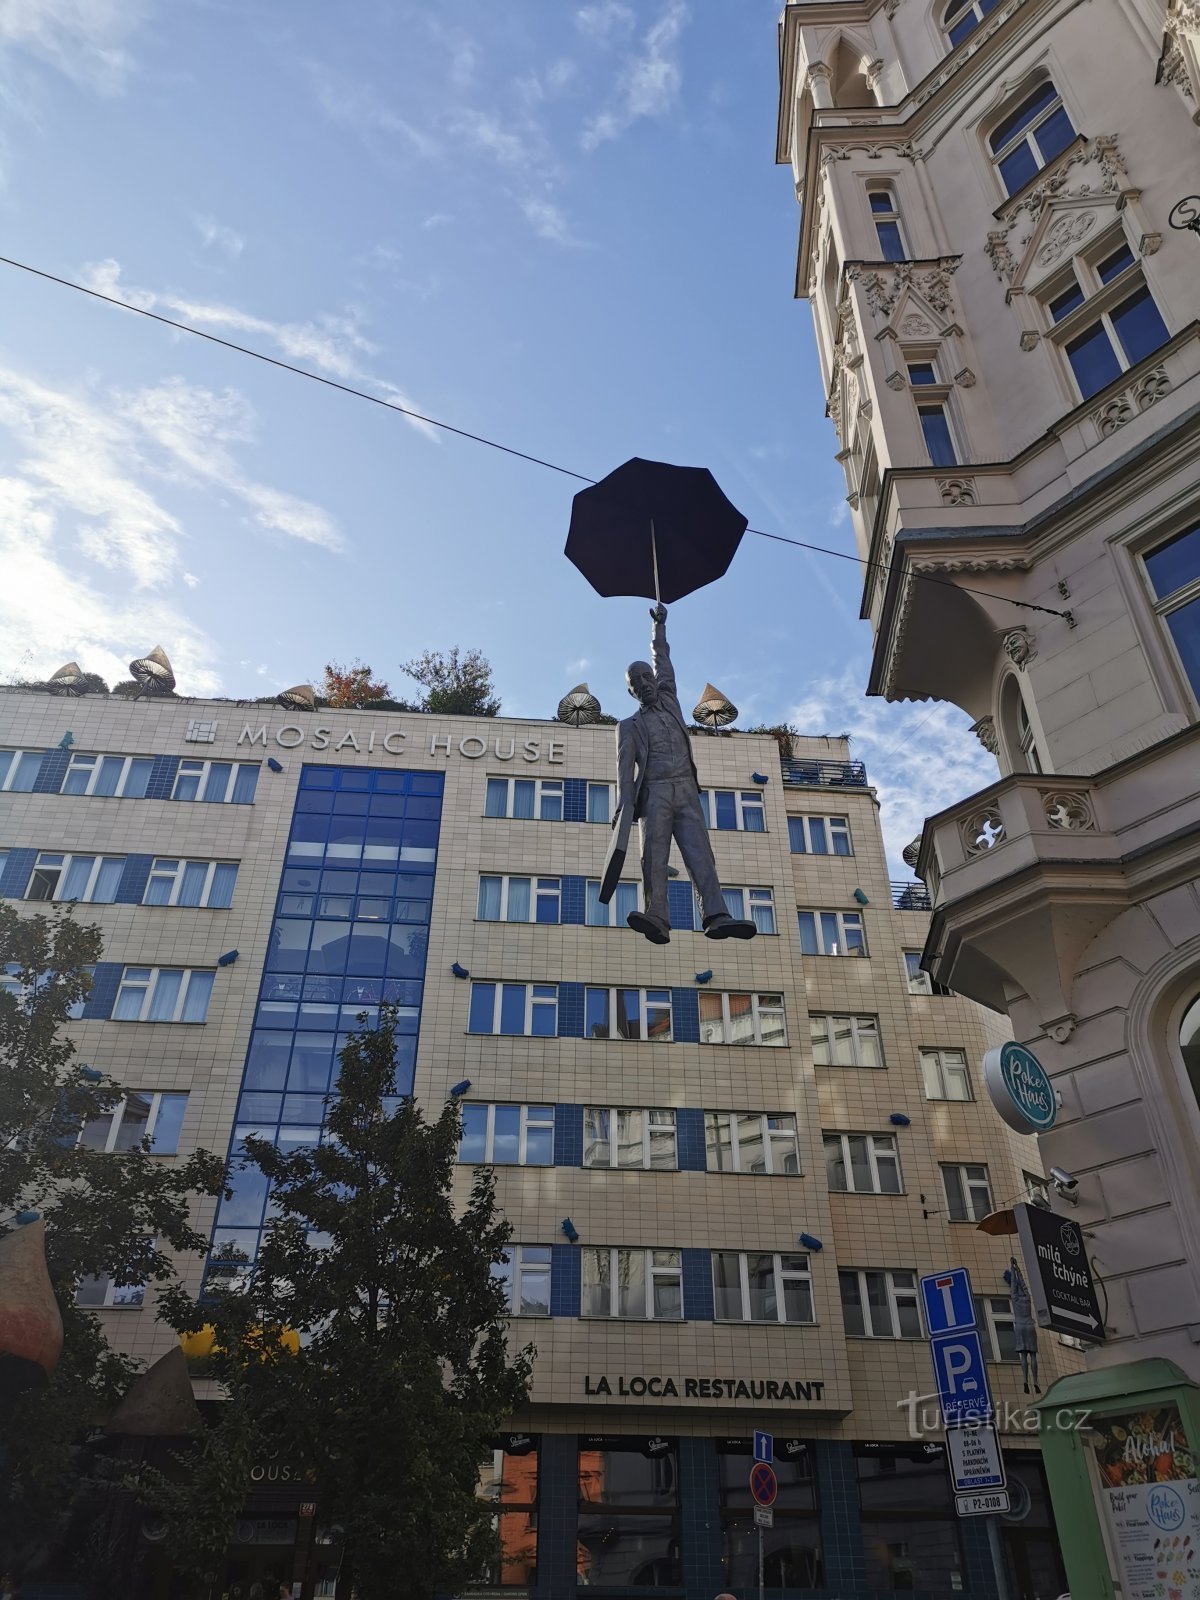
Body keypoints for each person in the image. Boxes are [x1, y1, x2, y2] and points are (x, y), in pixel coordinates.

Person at [608, 603, 756, 945]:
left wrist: (658, 628)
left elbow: (662, 657)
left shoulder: (670, 698)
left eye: (646, 677)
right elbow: (624, 773)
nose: (644, 683)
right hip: (654, 793)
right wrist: (624, 808)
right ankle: (657, 917)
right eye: (636, 682)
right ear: (630, 691)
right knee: (654, 858)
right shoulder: (627, 727)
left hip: (686, 791)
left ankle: (716, 915)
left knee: (701, 855)